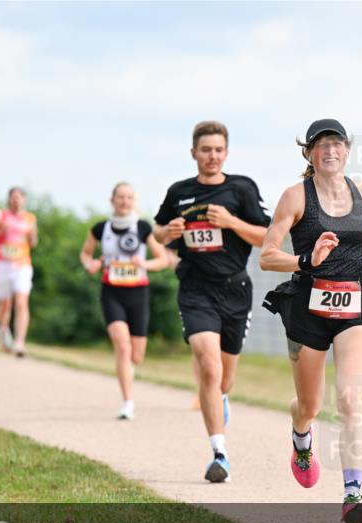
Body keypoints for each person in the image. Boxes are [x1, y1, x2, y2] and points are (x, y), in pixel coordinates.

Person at [260, 119, 362, 523]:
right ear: (309, 154)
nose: (330, 150)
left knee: (351, 399)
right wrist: (307, 261)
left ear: (347, 150)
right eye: (321, 145)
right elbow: (267, 255)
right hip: (309, 308)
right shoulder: (295, 197)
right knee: (310, 406)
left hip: (356, 304)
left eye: (336, 143)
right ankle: (302, 441)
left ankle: (353, 497)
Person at [153, 120, 271, 483]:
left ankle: (218, 403)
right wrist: (166, 233)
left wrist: (232, 221)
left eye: (218, 150)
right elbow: (157, 232)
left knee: (224, 380)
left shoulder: (242, 188)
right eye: (206, 150)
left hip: (235, 290)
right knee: (208, 365)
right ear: (194, 153)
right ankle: (219, 453)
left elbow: (266, 236)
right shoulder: (179, 192)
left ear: (227, 153)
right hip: (195, 288)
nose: (212, 156)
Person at [80, 182, 170, 420]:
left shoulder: (142, 227)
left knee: (137, 355)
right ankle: (127, 402)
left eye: (129, 197)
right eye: (120, 197)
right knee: (122, 345)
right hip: (111, 292)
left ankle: (128, 379)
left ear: (134, 201)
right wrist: (91, 264)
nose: (124, 201)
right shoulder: (101, 228)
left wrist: (145, 264)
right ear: (112, 200)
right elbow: (86, 253)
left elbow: (162, 260)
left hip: (138, 293)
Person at [0, 187, 37, 357]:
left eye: (19, 198)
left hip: (22, 265)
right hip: (1, 264)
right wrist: (0, 232)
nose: (16, 201)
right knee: (5, 303)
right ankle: (4, 330)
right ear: (8, 200)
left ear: (24, 200)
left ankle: (20, 342)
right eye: (13, 197)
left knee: (21, 302)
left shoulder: (30, 218)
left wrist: (32, 235)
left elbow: (33, 243)